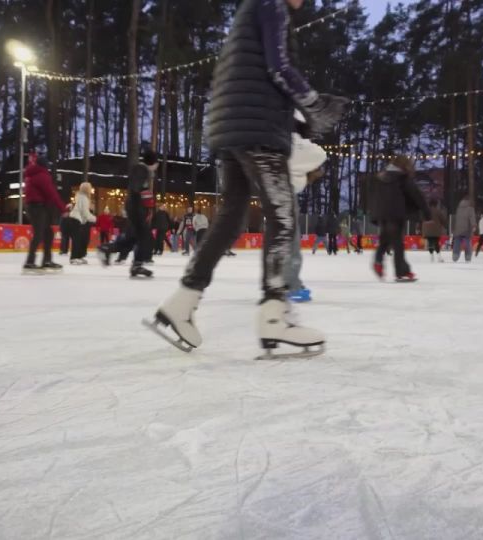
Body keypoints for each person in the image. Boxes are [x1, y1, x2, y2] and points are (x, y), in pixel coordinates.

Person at [149, 0, 347, 358]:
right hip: (257, 132)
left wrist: (298, 120)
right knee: (283, 215)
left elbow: (252, 79)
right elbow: (279, 68)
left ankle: (182, 301)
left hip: (231, 129)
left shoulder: (250, 10)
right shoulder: (273, 5)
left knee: (230, 218)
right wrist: (315, 104)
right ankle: (274, 315)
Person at [286, 109, 328, 303]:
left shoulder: (270, 139)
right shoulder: (293, 142)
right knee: (291, 243)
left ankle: (277, 283)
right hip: (285, 195)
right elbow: (319, 154)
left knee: (278, 241)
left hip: (272, 193)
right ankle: (290, 285)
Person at [98, 151, 159, 277]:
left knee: (133, 238)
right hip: (136, 208)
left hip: (136, 208)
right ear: (153, 163)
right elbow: (138, 188)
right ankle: (137, 265)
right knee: (145, 236)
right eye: (156, 163)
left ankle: (108, 249)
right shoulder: (141, 170)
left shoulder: (143, 171)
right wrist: (146, 202)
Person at [369, 156, 430, 281]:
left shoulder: (381, 178)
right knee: (398, 244)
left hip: (382, 215)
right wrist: (426, 212)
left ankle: (378, 261)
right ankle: (402, 272)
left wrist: (374, 214)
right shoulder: (402, 178)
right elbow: (416, 195)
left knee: (385, 240)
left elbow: (374, 197)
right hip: (396, 214)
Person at [22, 154, 64, 273]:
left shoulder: (32, 174)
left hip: (35, 206)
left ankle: (46, 260)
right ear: (45, 166)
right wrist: (63, 209)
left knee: (48, 233)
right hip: (37, 207)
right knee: (39, 233)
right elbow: (51, 193)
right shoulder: (42, 175)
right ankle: (30, 262)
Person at [69, 182, 97, 264]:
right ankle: (74, 257)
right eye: (90, 188)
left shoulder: (81, 197)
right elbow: (85, 212)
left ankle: (79, 256)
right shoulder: (84, 198)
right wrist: (94, 219)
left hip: (77, 219)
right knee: (77, 239)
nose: (91, 190)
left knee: (80, 239)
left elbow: (83, 213)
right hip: (76, 219)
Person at [451, 195, 476, 262]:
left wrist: (453, 228)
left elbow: (455, 219)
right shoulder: (470, 209)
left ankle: (455, 256)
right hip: (466, 229)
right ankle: (468, 256)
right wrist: (474, 226)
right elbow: (472, 218)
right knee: (467, 241)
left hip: (458, 228)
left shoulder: (458, 209)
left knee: (457, 242)